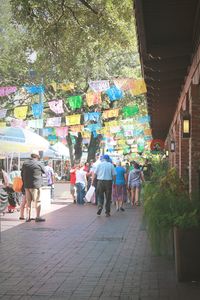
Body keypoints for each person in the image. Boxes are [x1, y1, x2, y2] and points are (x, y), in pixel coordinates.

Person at [21, 150, 46, 222]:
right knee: (37, 201)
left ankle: (28, 217)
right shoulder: (39, 163)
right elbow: (44, 171)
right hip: (36, 185)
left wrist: (24, 183)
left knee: (28, 201)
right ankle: (37, 217)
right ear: (37, 156)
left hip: (27, 186)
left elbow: (22, 174)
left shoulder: (25, 163)